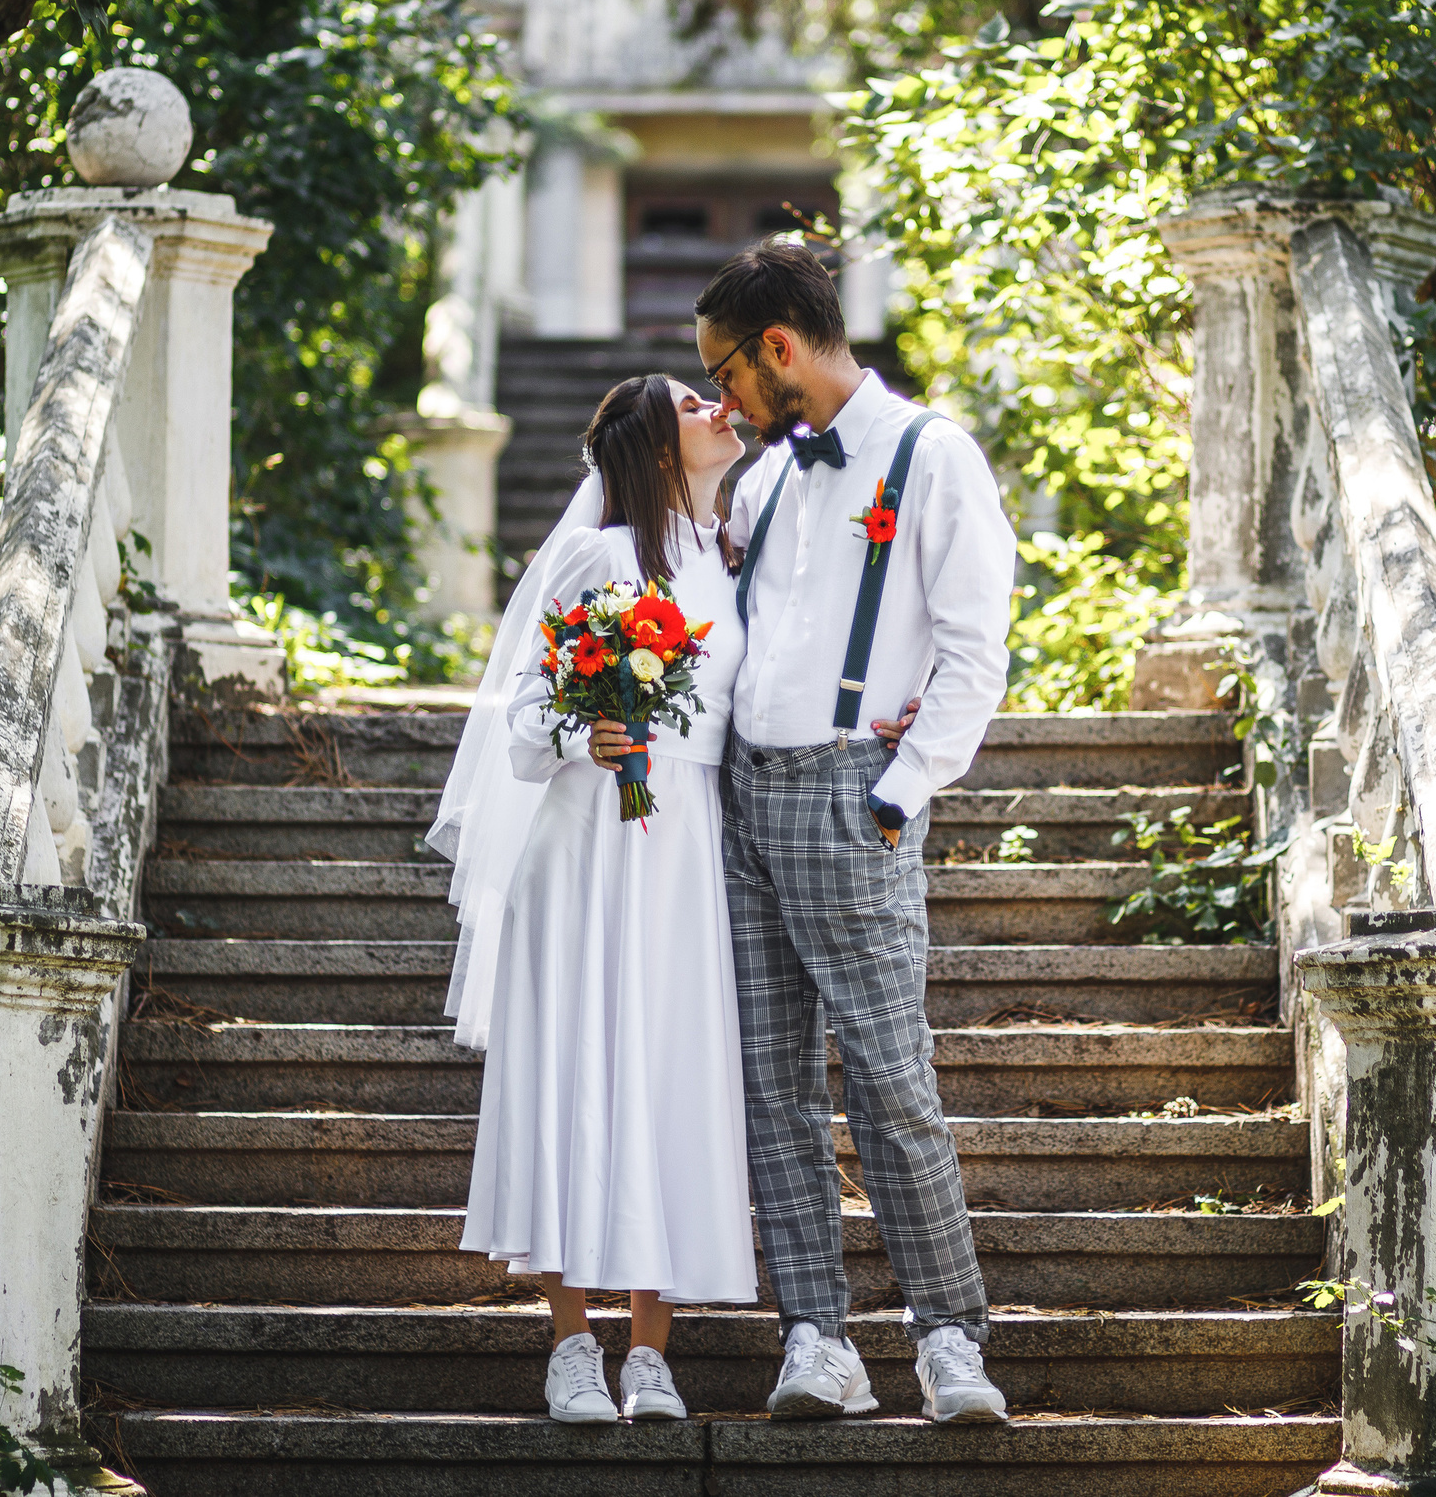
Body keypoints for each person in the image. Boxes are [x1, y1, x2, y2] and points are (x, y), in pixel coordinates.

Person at [699, 240, 1019, 1426]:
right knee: (772, 1088)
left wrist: (901, 788)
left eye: (726, 373)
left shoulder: (932, 454)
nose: (724, 399)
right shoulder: (765, 482)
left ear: (777, 348)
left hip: (850, 796)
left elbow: (976, 649)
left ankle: (948, 1338)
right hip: (738, 802)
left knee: (890, 1079)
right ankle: (816, 1338)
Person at [429, 373, 755, 1425]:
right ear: (657, 449)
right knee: (572, 1063)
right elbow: (525, 713)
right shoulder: (597, 555)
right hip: (584, 839)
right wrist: (589, 730)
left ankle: (651, 1353)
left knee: (671, 1067)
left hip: (686, 841)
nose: (718, 407)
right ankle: (572, 1343)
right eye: (693, 405)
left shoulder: (732, 557)